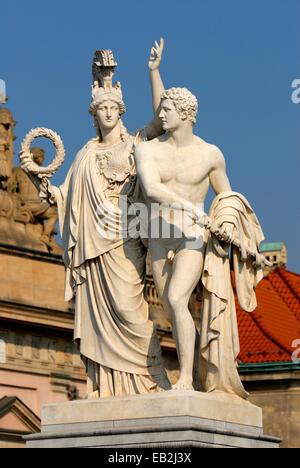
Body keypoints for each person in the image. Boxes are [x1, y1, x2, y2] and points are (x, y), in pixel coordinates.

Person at [40, 40, 171, 398]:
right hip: (92, 243)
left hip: (123, 238)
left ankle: (150, 380)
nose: (109, 114)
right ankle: (107, 387)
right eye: (103, 109)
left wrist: (153, 71)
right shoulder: (84, 154)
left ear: (121, 111)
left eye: (114, 108)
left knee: (133, 313)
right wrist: (53, 194)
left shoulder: (135, 143)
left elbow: (163, 119)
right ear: (94, 114)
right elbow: (69, 196)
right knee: (98, 316)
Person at [135, 87, 265, 398]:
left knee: (179, 300)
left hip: (192, 237)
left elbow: (227, 197)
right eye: (161, 108)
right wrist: (191, 207)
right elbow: (151, 188)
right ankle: (198, 370)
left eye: (166, 109)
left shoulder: (211, 155)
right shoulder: (148, 150)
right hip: (159, 238)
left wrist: (226, 222)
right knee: (171, 308)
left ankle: (183, 380)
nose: (160, 114)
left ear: (185, 114)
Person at [12, 147, 58, 248]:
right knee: (54, 215)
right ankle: (45, 236)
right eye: (42, 157)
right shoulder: (40, 173)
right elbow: (50, 194)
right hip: (36, 206)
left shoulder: (17, 171)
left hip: (23, 204)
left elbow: (10, 187)